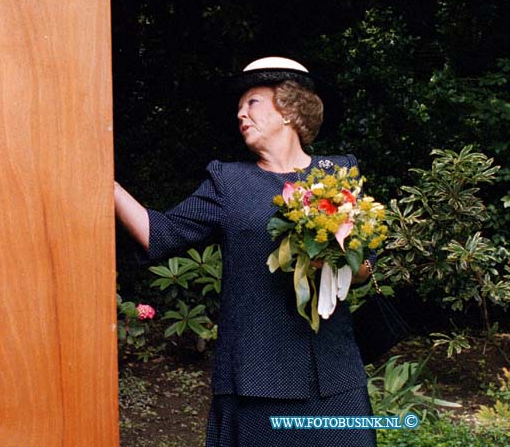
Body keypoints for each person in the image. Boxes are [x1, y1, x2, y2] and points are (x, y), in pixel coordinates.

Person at [114, 57, 377, 447]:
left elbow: (367, 263)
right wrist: (105, 181)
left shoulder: (338, 173)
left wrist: (338, 259)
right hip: (257, 376)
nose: (241, 113)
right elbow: (160, 234)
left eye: (252, 102)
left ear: (289, 109)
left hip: (334, 377)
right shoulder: (229, 181)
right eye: (240, 106)